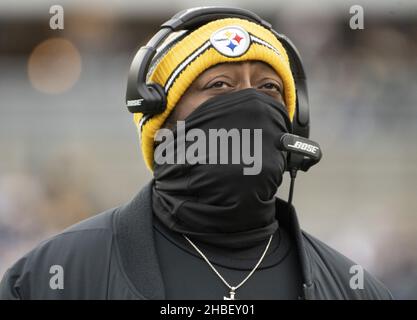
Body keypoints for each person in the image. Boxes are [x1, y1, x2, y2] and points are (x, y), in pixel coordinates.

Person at [0, 7, 393, 300]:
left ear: (294, 127)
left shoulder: (354, 289)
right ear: (160, 119)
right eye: (219, 83)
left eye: (269, 88)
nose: (251, 103)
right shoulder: (50, 277)